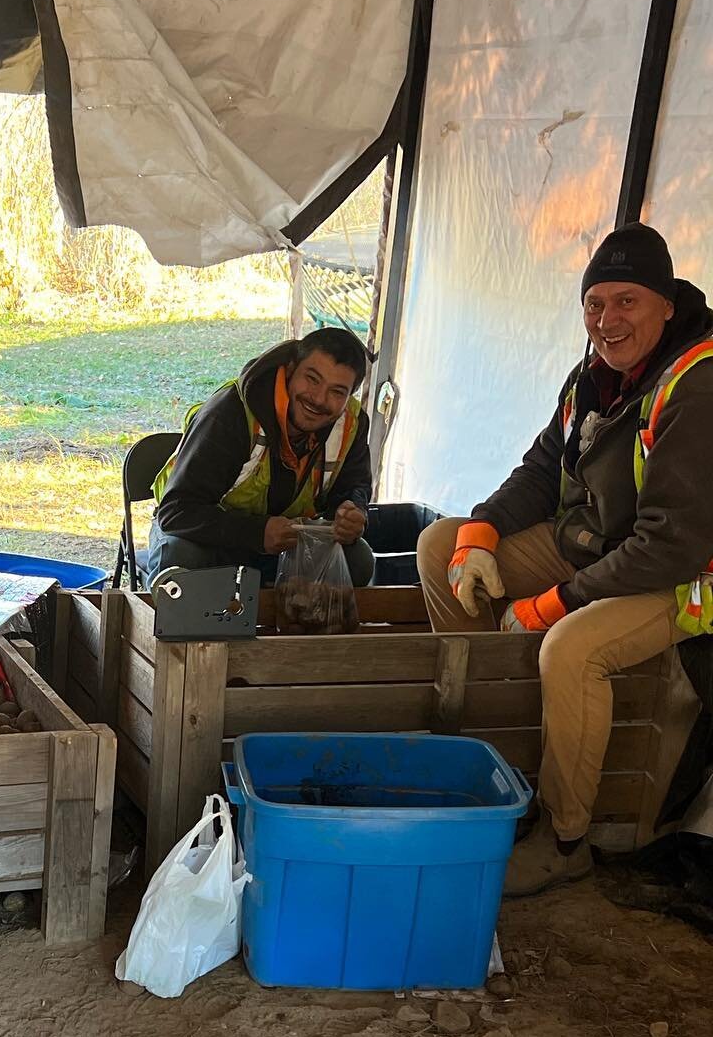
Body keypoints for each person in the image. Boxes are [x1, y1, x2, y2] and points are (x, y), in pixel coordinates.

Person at [417, 222, 713, 896]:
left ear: (666, 302)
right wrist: (480, 532)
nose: (607, 320)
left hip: (680, 577)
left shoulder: (696, 386)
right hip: (597, 542)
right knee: (439, 549)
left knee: (570, 649)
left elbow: (669, 545)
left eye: (627, 302)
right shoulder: (594, 372)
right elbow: (543, 467)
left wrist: (552, 603)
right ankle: (489, 756)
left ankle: (563, 837)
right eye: (595, 303)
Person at [148, 327, 375, 586]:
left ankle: (295, 621)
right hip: (209, 539)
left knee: (357, 560)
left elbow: (354, 485)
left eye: (337, 392)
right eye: (312, 379)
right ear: (290, 370)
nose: (319, 399)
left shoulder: (351, 423)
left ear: (350, 396)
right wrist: (258, 533)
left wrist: (351, 512)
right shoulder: (230, 412)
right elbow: (176, 512)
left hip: (286, 543)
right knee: (180, 560)